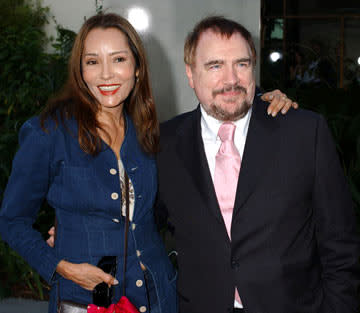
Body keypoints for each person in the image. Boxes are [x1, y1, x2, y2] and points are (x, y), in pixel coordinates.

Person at [0, 13, 295, 313]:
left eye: (118, 60)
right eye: (92, 62)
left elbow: (165, 211)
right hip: (85, 299)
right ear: (79, 70)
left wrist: (260, 102)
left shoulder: (150, 135)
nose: (106, 75)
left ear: (137, 68)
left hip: (157, 296)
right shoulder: (49, 133)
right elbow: (11, 221)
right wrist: (61, 266)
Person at [155, 16, 360, 313]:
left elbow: (341, 247)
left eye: (242, 64)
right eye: (215, 66)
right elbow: (140, 226)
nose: (231, 80)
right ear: (190, 73)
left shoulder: (304, 133)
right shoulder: (165, 144)